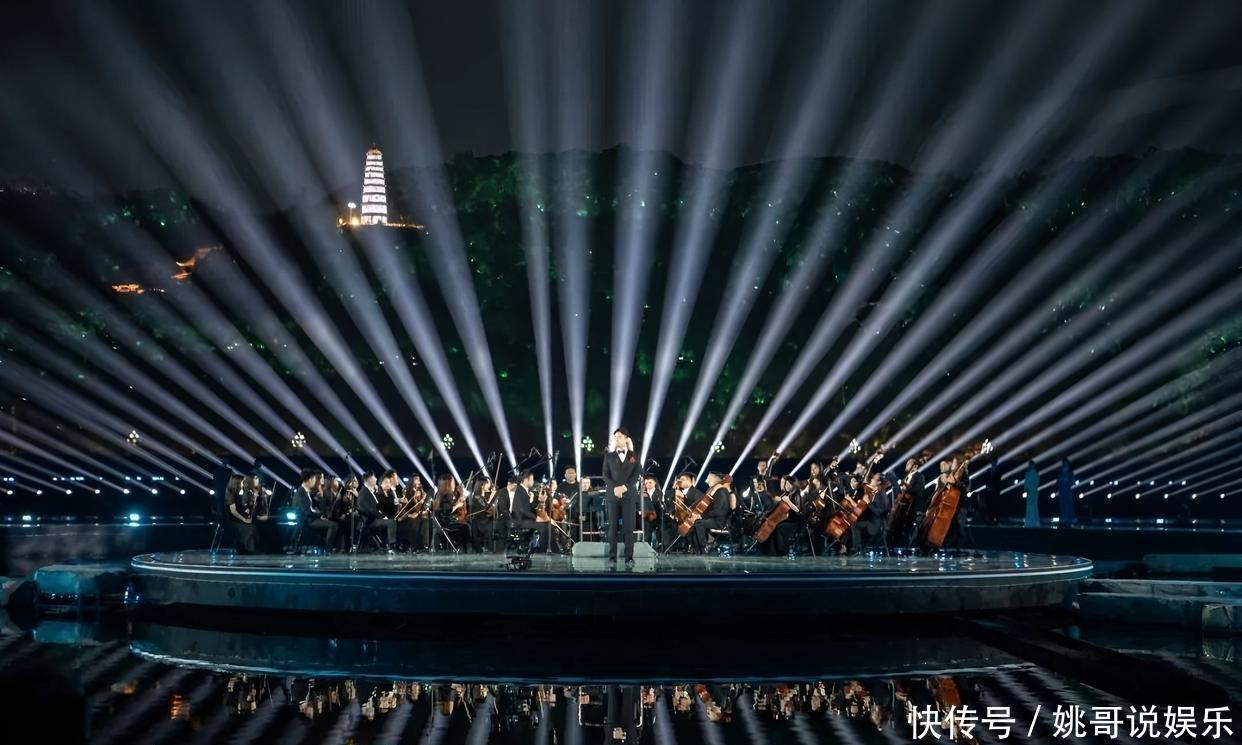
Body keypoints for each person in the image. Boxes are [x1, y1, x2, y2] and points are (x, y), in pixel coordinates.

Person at [603, 427, 642, 564]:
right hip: (612, 495)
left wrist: (624, 487)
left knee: (629, 527)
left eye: (619, 436)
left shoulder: (634, 456)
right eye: (615, 437)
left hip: (629, 495)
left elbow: (636, 474)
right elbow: (605, 475)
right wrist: (615, 488)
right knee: (612, 527)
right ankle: (612, 556)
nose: (617, 439)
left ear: (626, 438)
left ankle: (629, 556)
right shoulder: (609, 456)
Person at [292, 469, 338, 550]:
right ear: (309, 480)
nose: (315, 481)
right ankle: (327, 549)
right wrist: (319, 515)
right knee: (333, 525)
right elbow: (305, 511)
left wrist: (319, 514)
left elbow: (309, 509)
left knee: (330, 522)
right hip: (306, 521)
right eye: (314, 479)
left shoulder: (305, 491)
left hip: (310, 518)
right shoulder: (300, 493)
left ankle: (324, 548)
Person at [511, 470, 553, 552]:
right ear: (526, 480)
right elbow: (521, 510)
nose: (533, 482)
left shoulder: (524, 490)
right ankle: (541, 550)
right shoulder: (520, 490)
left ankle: (545, 548)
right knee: (543, 526)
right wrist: (535, 518)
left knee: (547, 524)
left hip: (525, 518)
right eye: (532, 479)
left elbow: (529, 507)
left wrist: (539, 500)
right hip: (520, 520)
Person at [356, 472, 397, 551]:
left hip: (373, 519)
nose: (376, 479)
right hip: (369, 521)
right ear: (369, 479)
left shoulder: (368, 491)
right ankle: (391, 546)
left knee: (390, 521)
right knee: (391, 522)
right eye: (374, 478)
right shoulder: (363, 492)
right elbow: (364, 508)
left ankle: (385, 545)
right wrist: (381, 516)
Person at [224, 473, 259, 554]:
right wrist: (244, 520)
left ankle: (257, 548)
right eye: (241, 482)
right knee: (248, 528)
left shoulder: (241, 493)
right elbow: (233, 512)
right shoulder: (230, 494)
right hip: (232, 519)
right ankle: (249, 549)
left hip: (240, 518)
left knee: (257, 526)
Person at [1057, 458, 1075, 528]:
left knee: (1068, 506)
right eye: (1063, 463)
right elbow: (1058, 482)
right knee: (1063, 506)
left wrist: (1067, 482)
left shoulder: (1070, 473)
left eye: (1066, 463)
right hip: (1062, 492)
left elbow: (1072, 482)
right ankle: (1063, 521)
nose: (1064, 464)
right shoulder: (1060, 473)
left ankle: (1068, 521)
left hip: (1068, 492)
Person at [1024, 461, 1040, 528]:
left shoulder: (1036, 474)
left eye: (1032, 465)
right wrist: (1026, 489)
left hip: (1034, 492)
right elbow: (1026, 482)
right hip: (1029, 493)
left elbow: (1037, 482)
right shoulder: (1027, 474)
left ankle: (1035, 523)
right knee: (1029, 507)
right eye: (1030, 465)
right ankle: (1029, 523)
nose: (1031, 466)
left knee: (1034, 507)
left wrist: (1031, 487)